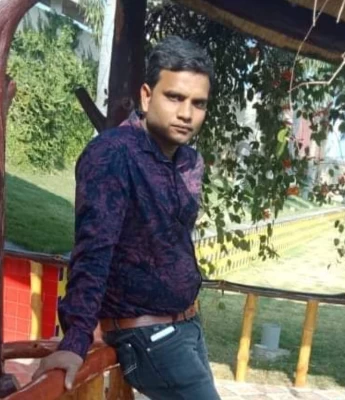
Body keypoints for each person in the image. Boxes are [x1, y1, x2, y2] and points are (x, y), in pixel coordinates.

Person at [32, 36, 220, 399]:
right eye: (174, 97)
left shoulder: (189, 161)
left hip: (187, 326)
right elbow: (93, 250)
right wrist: (75, 340)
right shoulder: (113, 154)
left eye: (198, 103)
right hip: (146, 333)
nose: (186, 113)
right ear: (147, 96)